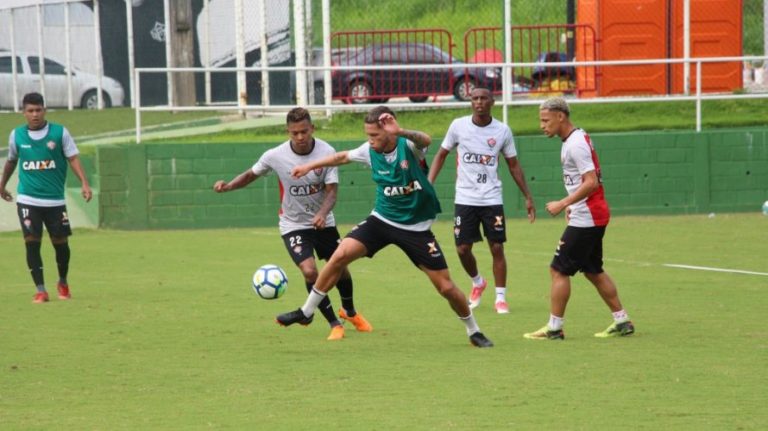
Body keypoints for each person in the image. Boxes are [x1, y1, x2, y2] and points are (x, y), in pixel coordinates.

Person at [276, 106, 494, 348]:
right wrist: (308, 167)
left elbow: (425, 140)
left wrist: (401, 131)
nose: (370, 141)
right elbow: (341, 157)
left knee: (446, 287)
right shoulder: (369, 151)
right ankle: (306, 312)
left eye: (375, 135)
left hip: (416, 229)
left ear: (389, 132)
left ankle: (474, 331)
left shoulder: (408, 146)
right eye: (368, 135)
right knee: (339, 256)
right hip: (382, 220)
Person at [213, 107, 372, 341]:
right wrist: (228, 186)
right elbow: (250, 175)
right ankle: (334, 323)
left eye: (304, 131)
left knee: (340, 268)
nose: (300, 137)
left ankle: (349, 311)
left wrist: (322, 213)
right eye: (294, 133)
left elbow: (332, 192)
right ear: (288, 132)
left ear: (312, 129)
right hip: (293, 224)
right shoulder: (275, 155)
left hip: (324, 222)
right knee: (310, 271)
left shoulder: (326, 152)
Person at [524, 97, 635, 340]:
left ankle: (554, 328)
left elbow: (591, 181)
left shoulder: (575, 144)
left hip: (588, 216)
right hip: (591, 213)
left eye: (545, 120)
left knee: (558, 270)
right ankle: (622, 321)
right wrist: (572, 204)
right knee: (593, 270)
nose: (542, 125)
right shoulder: (574, 138)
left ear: (560, 116)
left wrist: (563, 203)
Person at [428, 87, 535, 314]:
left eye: (483, 98)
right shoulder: (458, 126)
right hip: (465, 197)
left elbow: (514, 165)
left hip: (491, 198)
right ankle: (478, 282)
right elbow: (441, 154)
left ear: (492, 102)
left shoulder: (502, 131)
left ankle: (500, 298)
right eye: (474, 98)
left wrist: (527, 196)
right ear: (471, 102)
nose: (478, 102)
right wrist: (429, 184)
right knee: (462, 249)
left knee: (496, 246)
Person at [0, 92, 92, 303]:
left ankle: (63, 281)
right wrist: (2, 184)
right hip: (28, 199)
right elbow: (12, 161)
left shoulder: (60, 133)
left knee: (60, 243)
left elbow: (73, 158)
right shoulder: (17, 135)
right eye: (30, 111)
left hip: (54, 200)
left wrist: (84, 183)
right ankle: (41, 290)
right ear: (23, 113)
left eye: (38, 110)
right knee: (32, 241)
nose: (35, 114)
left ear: (45, 110)